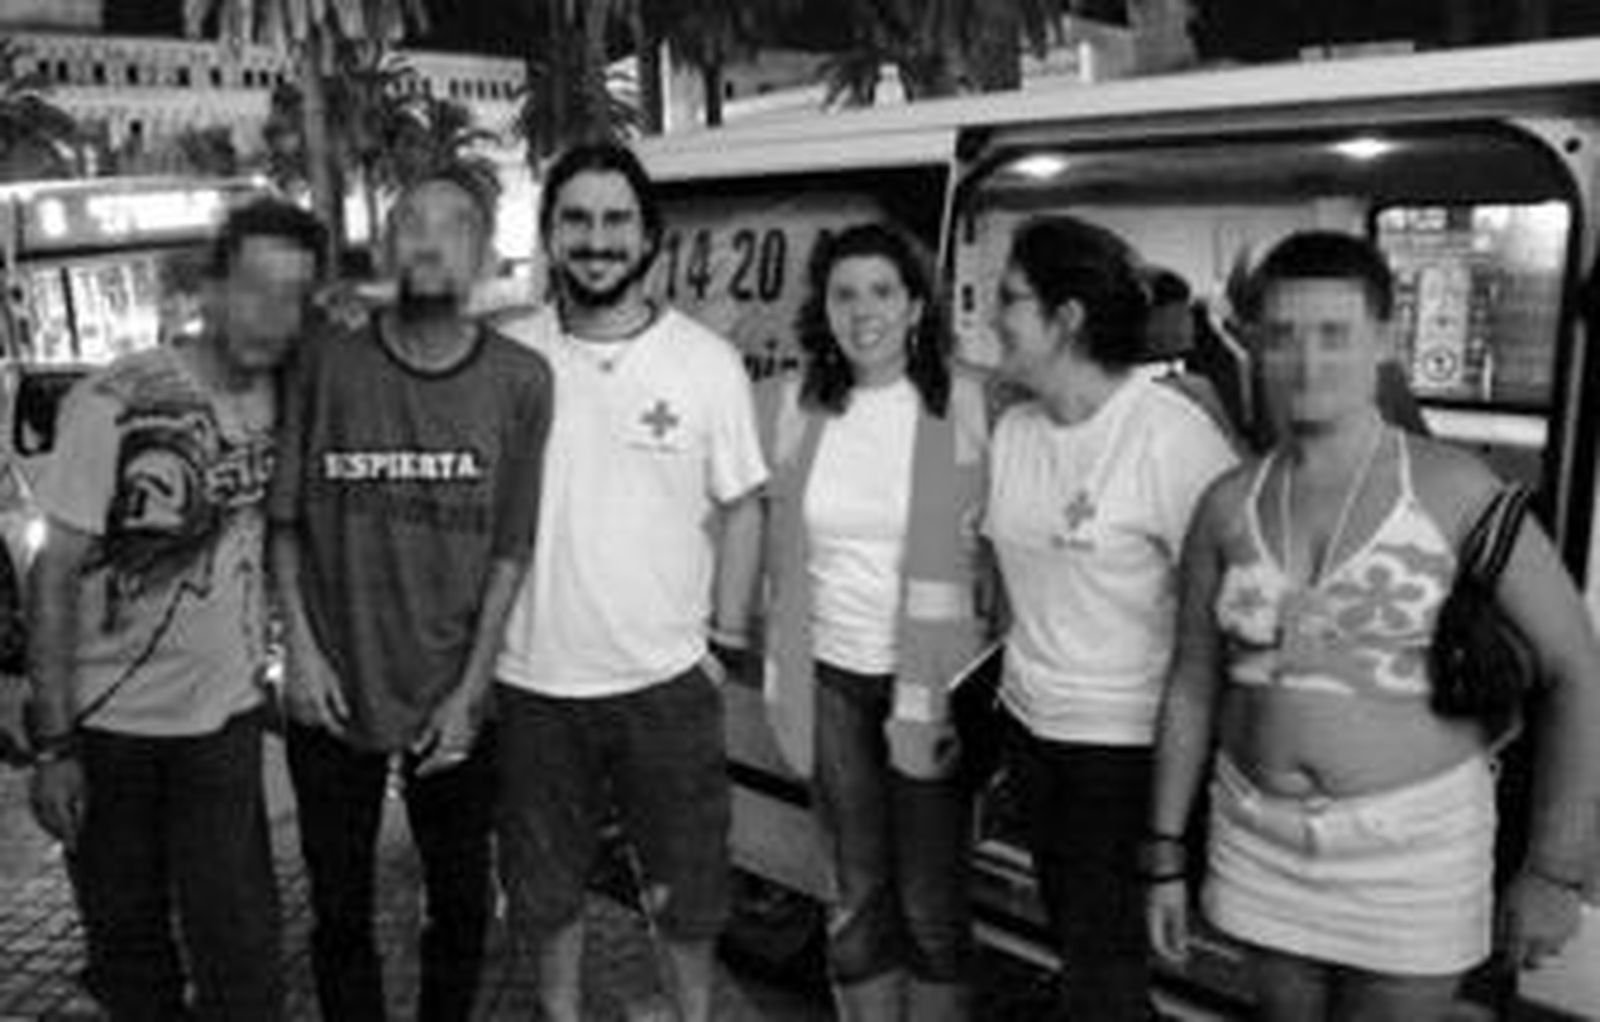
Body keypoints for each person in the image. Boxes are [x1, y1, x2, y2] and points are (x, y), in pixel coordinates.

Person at [1146, 231, 1600, 1021]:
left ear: (1383, 340)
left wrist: (1555, 869)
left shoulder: (1457, 491)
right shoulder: (1226, 503)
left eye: (1335, 335)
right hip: (1256, 839)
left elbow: (1576, 671)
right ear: (1252, 341)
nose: (1307, 363)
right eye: (1281, 336)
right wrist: (1162, 855)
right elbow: (1191, 684)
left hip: (1412, 856)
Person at [24, 198, 326, 1020]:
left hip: (223, 729)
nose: (274, 313)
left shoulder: (290, 398)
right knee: (131, 958)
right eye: (258, 287)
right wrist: (53, 744)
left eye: (295, 294)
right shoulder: (113, 400)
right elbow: (54, 576)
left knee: (244, 956)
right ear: (214, 289)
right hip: (109, 732)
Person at [269, 168, 552, 1022]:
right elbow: (284, 523)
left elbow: (511, 549)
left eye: (454, 225)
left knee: (462, 913)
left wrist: (471, 695)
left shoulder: (521, 381)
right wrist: (303, 655)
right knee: (340, 913)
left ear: (484, 254)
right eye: (413, 224)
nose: (431, 240)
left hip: (455, 695)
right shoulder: (324, 364)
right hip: (334, 688)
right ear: (388, 250)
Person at [494, 141, 767, 1022]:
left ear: (649, 237)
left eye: (617, 220)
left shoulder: (705, 363)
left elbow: (746, 507)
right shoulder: (506, 359)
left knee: (687, 896)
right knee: (545, 897)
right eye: (576, 219)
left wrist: (722, 643)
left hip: (666, 683)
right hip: (533, 682)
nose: (597, 239)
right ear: (549, 235)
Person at [984, 215, 1237, 1021]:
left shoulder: (1168, 435)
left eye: (1009, 299)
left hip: (1124, 757)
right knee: (1082, 949)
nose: (994, 316)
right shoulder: (1016, 428)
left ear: (1068, 319)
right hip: (1033, 733)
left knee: (1102, 967)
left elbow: (1231, 606)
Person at [760, 222, 988, 1021]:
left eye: (883, 292)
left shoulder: (968, 404)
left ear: (918, 305)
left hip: (930, 685)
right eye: (845, 293)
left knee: (930, 901)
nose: (865, 311)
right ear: (823, 308)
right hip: (828, 679)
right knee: (855, 893)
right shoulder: (789, 406)